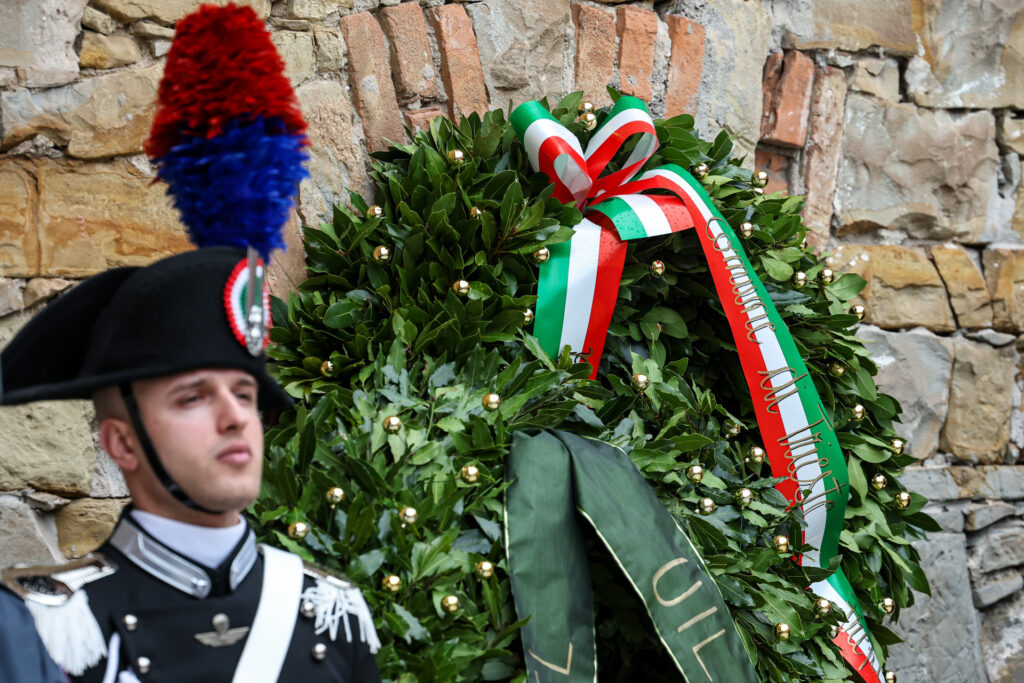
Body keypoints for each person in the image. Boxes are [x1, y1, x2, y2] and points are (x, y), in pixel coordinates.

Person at [0, 248, 381, 682]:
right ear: (122, 444)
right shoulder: (40, 626)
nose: (237, 417)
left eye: (243, 394)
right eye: (194, 398)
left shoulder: (333, 613)